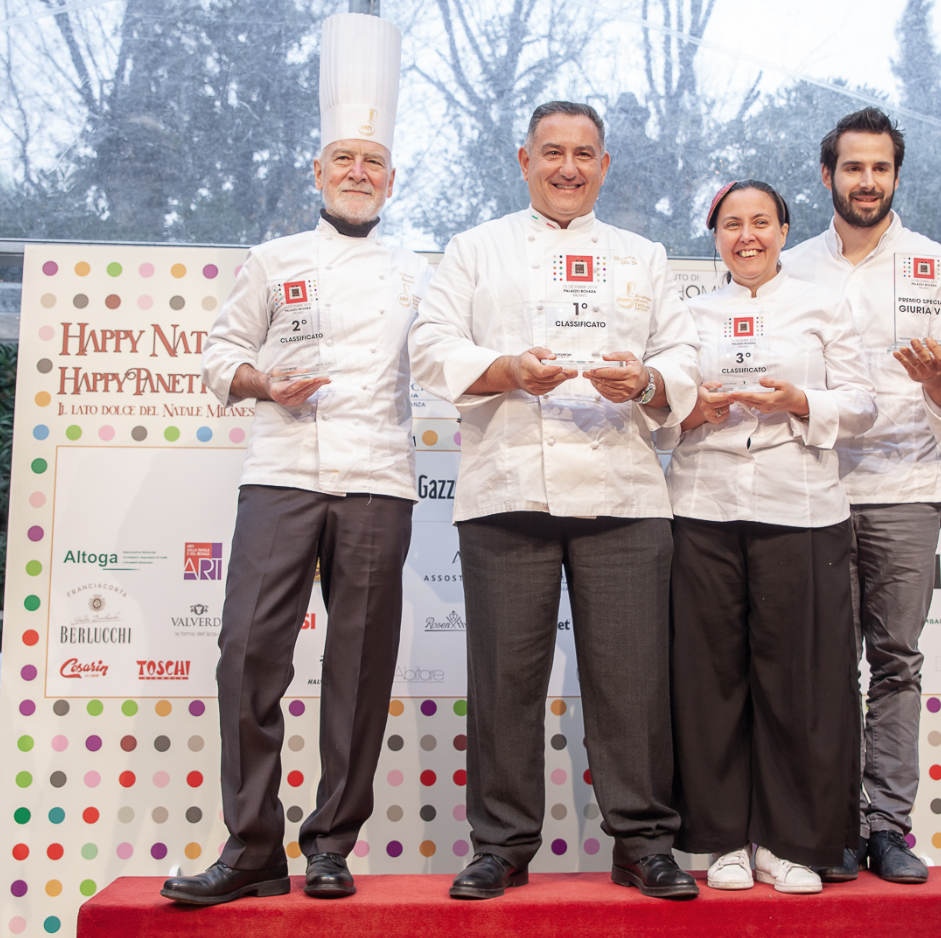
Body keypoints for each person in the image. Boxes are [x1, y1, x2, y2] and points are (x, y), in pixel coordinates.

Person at [162, 13, 429, 905]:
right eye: (343, 161)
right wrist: (258, 380)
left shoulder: (416, 275)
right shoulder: (273, 260)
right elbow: (213, 356)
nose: (358, 174)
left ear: (392, 180)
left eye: (373, 163)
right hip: (278, 472)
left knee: (358, 669)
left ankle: (330, 846)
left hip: (379, 480)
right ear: (317, 172)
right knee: (247, 653)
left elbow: (445, 368)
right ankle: (249, 848)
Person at [409, 100, 701, 901]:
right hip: (506, 488)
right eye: (551, 152)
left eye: (583, 153)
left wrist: (643, 380)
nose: (567, 166)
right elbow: (430, 346)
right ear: (523, 159)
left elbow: (684, 356)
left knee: (634, 681)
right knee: (504, 680)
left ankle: (643, 841)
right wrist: (507, 370)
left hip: (626, 494)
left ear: (605, 165)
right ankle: (501, 845)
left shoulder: (644, 256)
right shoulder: (476, 250)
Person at [780, 107, 941, 884]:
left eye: (882, 168)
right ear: (827, 175)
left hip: (904, 487)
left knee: (896, 660)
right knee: (820, 667)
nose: (868, 181)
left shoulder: (937, 262)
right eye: (854, 167)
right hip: (809, 488)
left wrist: (939, 378)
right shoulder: (789, 267)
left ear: (897, 175)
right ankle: (825, 826)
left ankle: (887, 827)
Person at [663, 180, 875, 894]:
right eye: (730, 224)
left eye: (760, 222)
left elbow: (862, 403)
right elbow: (662, 412)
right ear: (715, 236)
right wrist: (695, 411)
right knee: (709, 678)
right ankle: (721, 839)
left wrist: (800, 400)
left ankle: (791, 844)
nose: (745, 235)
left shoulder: (824, 305)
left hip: (804, 507)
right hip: (703, 505)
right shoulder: (688, 313)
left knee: (802, 683)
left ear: (785, 230)